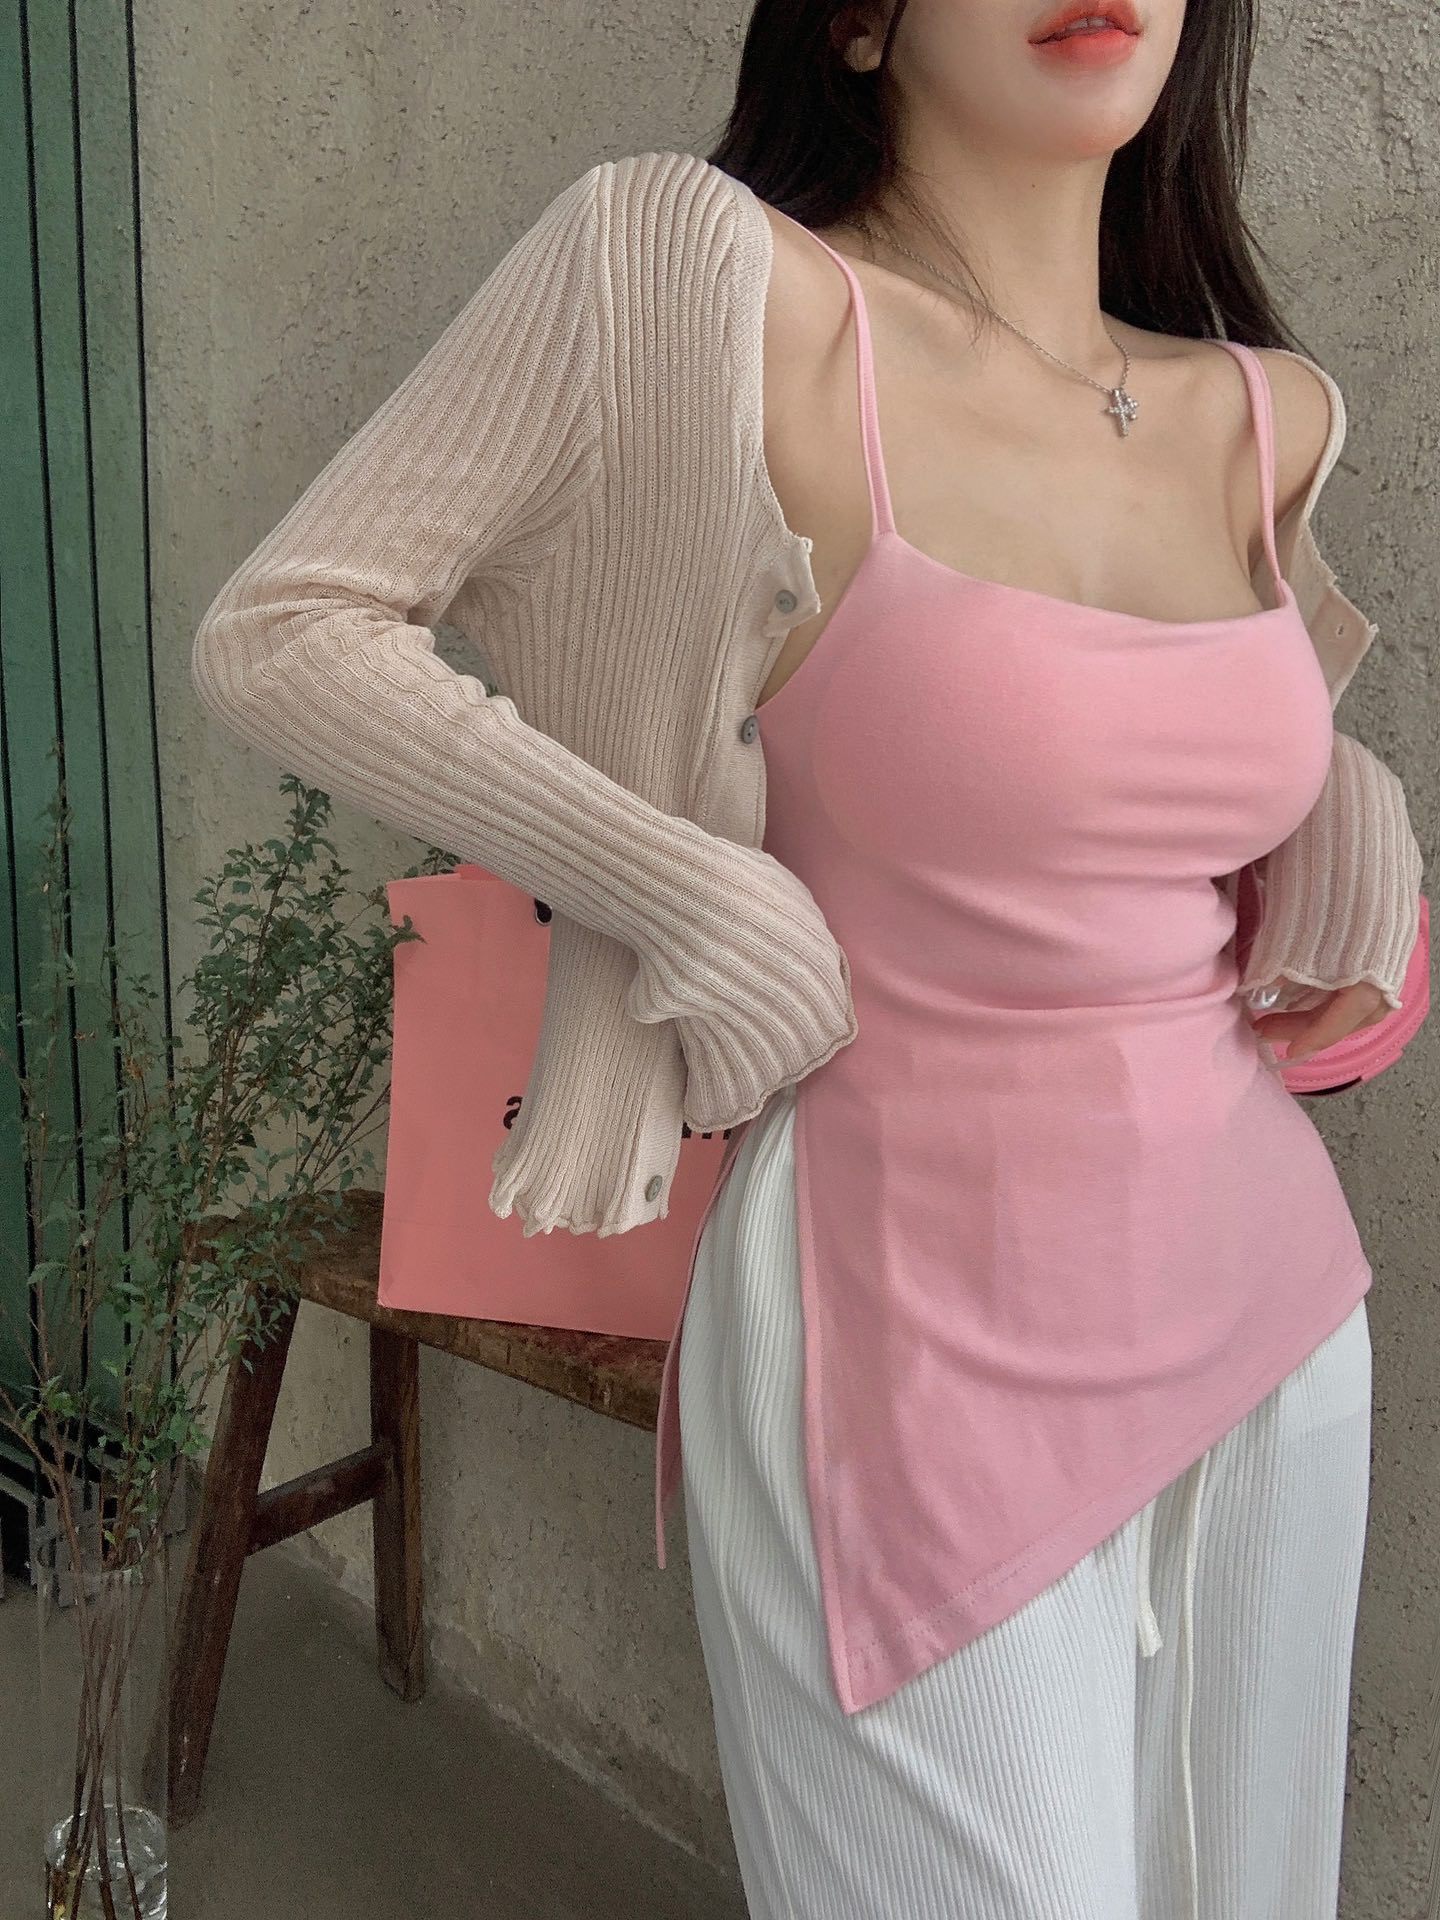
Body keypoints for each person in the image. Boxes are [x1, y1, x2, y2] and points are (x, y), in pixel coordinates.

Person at [189, 2, 1422, 1913]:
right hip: (903, 1336)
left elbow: (1096, 789)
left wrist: (1335, 796)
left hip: (1272, 1324)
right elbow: (286, 627)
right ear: (856, 15)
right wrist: (678, 890)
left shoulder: (1266, 414)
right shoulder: (700, 280)